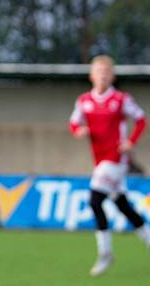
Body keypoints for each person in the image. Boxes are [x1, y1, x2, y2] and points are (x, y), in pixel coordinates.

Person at [69, 55, 150, 277]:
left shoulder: (121, 99)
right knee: (123, 205)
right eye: (99, 71)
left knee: (95, 201)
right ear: (91, 75)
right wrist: (79, 131)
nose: (103, 75)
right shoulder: (84, 100)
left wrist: (130, 142)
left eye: (107, 72)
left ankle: (105, 252)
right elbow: (74, 123)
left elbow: (141, 119)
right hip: (99, 160)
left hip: (115, 159)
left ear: (113, 76)